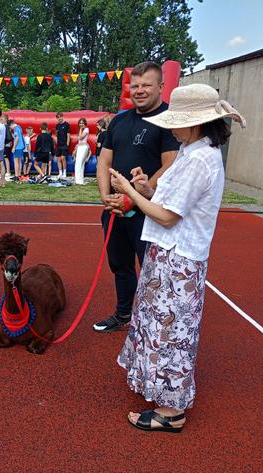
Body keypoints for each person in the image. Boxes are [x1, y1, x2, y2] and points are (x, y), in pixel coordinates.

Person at [108, 83, 246, 432]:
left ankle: (171, 412)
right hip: (170, 253)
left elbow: (168, 216)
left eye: (177, 122)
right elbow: (168, 202)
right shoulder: (192, 151)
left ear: (196, 123)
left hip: (178, 259)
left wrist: (127, 192)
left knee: (172, 334)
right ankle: (162, 395)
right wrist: (146, 188)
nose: (171, 128)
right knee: (160, 328)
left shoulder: (200, 159)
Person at [94, 61, 180, 334]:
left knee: (153, 271)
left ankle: (156, 322)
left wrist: (133, 198)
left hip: (148, 212)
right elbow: (104, 161)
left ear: (161, 87)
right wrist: (107, 198)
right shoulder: (119, 120)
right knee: (120, 265)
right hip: (115, 211)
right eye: (135, 85)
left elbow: (170, 165)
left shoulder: (168, 121)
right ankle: (123, 315)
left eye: (146, 85)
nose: (140, 90)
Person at [72, 118, 90, 185]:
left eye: (82, 123)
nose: (81, 124)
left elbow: (80, 137)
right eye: (80, 123)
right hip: (80, 147)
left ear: (85, 123)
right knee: (79, 163)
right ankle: (79, 180)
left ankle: (79, 180)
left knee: (79, 163)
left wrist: (80, 130)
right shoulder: (82, 129)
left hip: (83, 147)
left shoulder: (86, 129)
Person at [55, 112, 71, 178]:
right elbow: (57, 135)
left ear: (62, 116)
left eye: (60, 117)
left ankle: (64, 172)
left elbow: (68, 135)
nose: (59, 119)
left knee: (63, 158)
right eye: (58, 118)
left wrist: (67, 144)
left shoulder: (67, 124)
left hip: (64, 144)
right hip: (59, 145)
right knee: (58, 159)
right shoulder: (57, 125)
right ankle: (60, 172)